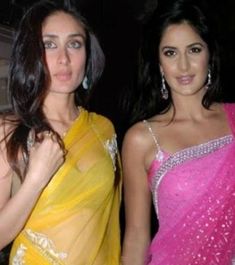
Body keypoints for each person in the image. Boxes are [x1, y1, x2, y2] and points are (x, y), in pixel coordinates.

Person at [0, 0, 121, 264]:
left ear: (88, 55)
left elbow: (111, 223)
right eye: (49, 44)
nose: (63, 58)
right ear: (31, 54)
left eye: (74, 44)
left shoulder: (103, 129)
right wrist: (36, 178)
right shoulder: (8, 131)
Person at [121, 0, 235, 264]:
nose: (183, 66)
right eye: (170, 53)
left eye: (194, 50)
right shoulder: (141, 139)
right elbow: (137, 234)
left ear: (209, 54)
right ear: (159, 62)